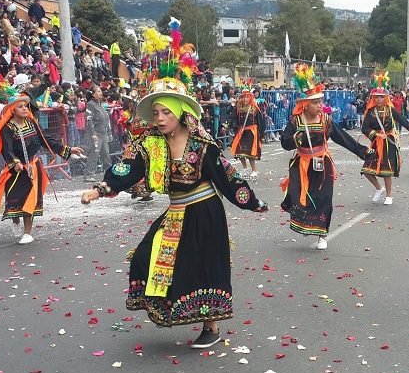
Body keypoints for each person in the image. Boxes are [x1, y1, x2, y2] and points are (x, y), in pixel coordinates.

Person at [80, 76, 268, 347]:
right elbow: (127, 167)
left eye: (166, 112)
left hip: (205, 212)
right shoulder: (150, 144)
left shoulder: (201, 144)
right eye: (156, 113)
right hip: (176, 210)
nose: (160, 118)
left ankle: (211, 327)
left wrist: (252, 202)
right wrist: (100, 189)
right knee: (145, 256)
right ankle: (171, 308)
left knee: (204, 266)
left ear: (180, 113)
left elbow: (227, 177)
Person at [0, 89, 84, 244]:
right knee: (15, 200)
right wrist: (14, 162)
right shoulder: (7, 128)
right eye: (20, 106)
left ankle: (28, 233)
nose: (25, 108)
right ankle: (15, 221)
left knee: (29, 199)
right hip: (16, 169)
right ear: (12, 110)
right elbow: (7, 148)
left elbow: (47, 140)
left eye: (26, 106)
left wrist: (67, 150)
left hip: (33, 167)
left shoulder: (32, 123)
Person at [280, 64, 367, 250]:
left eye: (321, 102)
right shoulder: (296, 121)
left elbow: (342, 138)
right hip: (301, 165)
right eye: (316, 102)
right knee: (299, 196)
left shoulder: (326, 120)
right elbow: (285, 142)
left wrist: (362, 151)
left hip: (322, 163)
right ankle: (305, 223)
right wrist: (296, 138)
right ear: (305, 104)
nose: (320, 106)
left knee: (324, 197)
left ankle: (321, 233)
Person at [361, 72, 409, 205]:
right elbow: (365, 128)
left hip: (389, 143)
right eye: (376, 97)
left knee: (386, 171)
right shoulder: (370, 112)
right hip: (376, 143)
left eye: (381, 97)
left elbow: (403, 121)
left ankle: (389, 195)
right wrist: (375, 134)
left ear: (385, 98)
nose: (379, 100)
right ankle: (378, 188)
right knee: (366, 169)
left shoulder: (390, 110)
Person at [230, 85, 264, 177]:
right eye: (243, 97)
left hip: (251, 131)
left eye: (247, 97)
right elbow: (232, 117)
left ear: (250, 98)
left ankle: (254, 170)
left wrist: (261, 134)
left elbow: (261, 122)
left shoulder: (255, 108)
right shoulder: (238, 108)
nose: (245, 99)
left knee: (250, 152)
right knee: (239, 150)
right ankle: (245, 168)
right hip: (241, 131)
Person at [84, 86, 112, 181]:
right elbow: (89, 119)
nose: (101, 93)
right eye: (99, 91)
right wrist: (93, 134)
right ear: (93, 94)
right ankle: (88, 175)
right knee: (94, 154)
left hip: (104, 134)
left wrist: (109, 132)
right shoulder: (91, 104)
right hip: (96, 133)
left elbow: (106, 120)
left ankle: (109, 174)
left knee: (106, 154)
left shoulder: (101, 105)